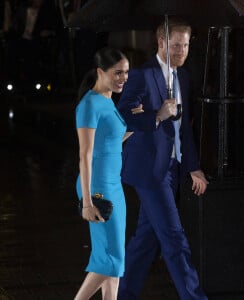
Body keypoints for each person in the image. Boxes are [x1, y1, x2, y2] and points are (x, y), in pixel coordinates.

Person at [117, 18, 209, 300]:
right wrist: (157, 115)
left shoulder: (184, 77)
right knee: (174, 238)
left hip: (172, 168)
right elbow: (123, 117)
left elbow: (185, 129)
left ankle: (122, 295)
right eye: (176, 45)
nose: (182, 50)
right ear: (161, 43)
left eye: (185, 45)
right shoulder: (142, 75)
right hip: (149, 170)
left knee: (146, 240)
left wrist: (193, 166)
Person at [74, 47, 132, 300]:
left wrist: (149, 121)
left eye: (126, 72)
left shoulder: (108, 99)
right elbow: (85, 155)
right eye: (117, 73)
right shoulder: (89, 104)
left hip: (113, 185)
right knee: (110, 258)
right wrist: (87, 201)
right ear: (100, 72)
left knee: (113, 256)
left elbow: (109, 144)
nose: (123, 78)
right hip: (98, 187)